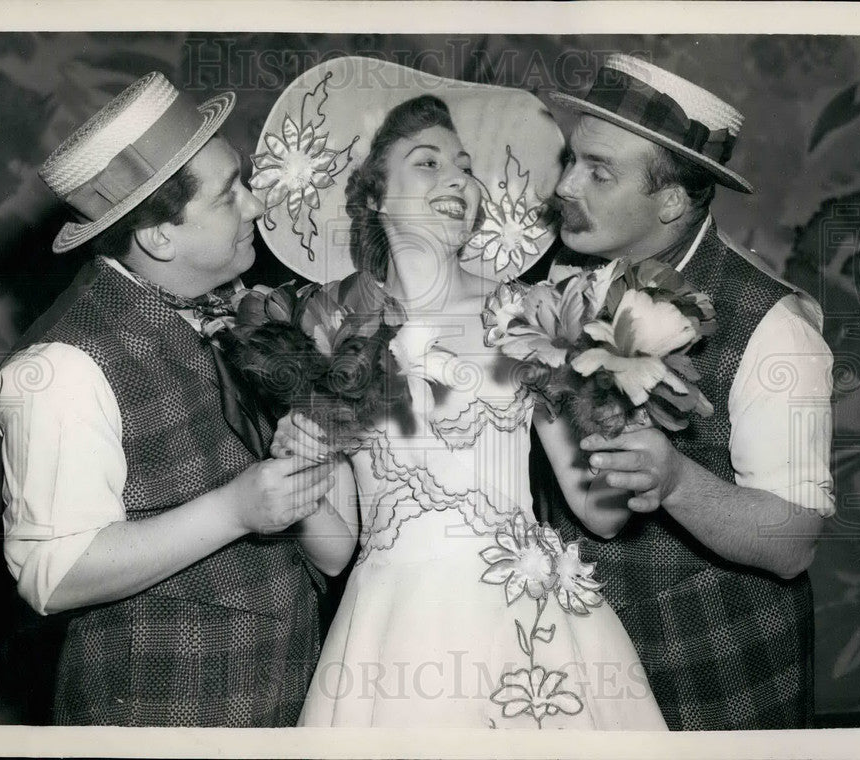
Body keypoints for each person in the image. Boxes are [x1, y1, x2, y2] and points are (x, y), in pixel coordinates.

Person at [255, 57, 667, 729]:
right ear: (373, 195)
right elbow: (334, 547)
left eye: (466, 166)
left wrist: (620, 404)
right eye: (428, 163)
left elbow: (603, 515)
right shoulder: (330, 331)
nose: (457, 180)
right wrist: (291, 463)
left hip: (530, 621)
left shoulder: (527, 314)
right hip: (391, 639)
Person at [0, 72, 344, 726]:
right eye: (228, 194)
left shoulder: (229, 316)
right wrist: (236, 511)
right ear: (158, 237)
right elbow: (51, 572)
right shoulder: (61, 368)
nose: (257, 207)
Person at [534, 54, 835, 730]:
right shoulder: (556, 274)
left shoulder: (774, 330)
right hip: (570, 668)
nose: (565, 186)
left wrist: (675, 483)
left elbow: (794, 542)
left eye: (598, 171)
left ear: (671, 200)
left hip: (709, 679)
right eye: (570, 160)